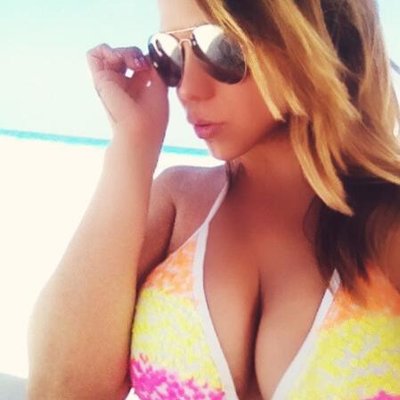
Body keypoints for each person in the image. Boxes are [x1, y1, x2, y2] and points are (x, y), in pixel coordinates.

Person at [27, 0, 400, 399]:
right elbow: (58, 390)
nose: (187, 89)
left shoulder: (389, 223)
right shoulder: (176, 205)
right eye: (169, 54)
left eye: (221, 47)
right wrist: (131, 148)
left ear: (315, 34)